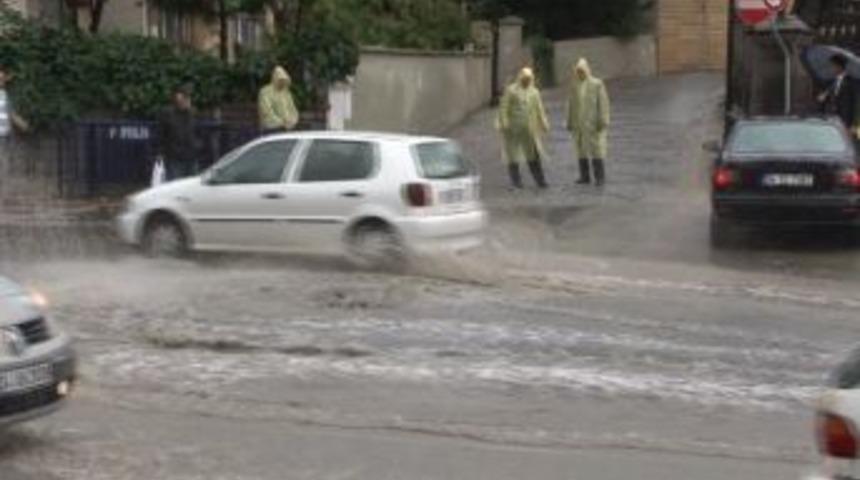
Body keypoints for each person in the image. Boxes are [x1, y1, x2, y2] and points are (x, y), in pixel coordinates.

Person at [497, 67, 549, 189]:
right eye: (524, 79)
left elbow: (539, 109)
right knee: (513, 156)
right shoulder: (511, 90)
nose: (526, 81)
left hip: (529, 129)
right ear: (520, 78)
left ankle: (540, 181)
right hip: (513, 130)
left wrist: (544, 123)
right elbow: (504, 108)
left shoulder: (534, 92)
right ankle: (516, 182)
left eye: (529, 79)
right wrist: (504, 122)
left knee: (533, 155)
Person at [567, 58, 611, 187]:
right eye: (578, 71)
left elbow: (603, 103)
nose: (580, 73)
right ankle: (584, 177)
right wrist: (569, 121)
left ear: (587, 69)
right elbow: (571, 105)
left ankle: (600, 177)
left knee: (596, 150)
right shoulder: (574, 85)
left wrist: (603, 120)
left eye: (582, 70)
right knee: (581, 151)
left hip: (593, 123)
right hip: (579, 124)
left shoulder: (597, 84)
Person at [156, 84, 199, 181]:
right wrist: (161, 152)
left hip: (191, 156)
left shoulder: (192, 113)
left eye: (187, 98)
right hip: (175, 157)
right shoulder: (167, 113)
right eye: (183, 98)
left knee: (191, 184)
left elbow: (196, 132)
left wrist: (197, 145)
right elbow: (161, 134)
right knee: (175, 184)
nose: (186, 101)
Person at [0, 66, 30, 203]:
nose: (1, 81)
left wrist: (21, 123)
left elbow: (10, 113)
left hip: (4, 136)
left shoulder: (4, 94)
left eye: (2, 79)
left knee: (4, 166)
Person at [818, 54, 858, 129]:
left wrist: (853, 124)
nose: (831, 68)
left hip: (845, 120)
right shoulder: (832, 82)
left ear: (838, 66)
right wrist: (823, 97)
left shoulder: (850, 81)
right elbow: (830, 97)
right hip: (832, 119)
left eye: (833, 66)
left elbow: (853, 103)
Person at [258, 66, 299, 135]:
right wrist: (281, 122)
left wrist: (293, 120)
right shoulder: (265, 91)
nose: (282, 82)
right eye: (281, 80)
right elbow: (267, 110)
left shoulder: (286, 93)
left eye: (284, 80)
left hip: (288, 128)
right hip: (272, 128)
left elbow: (292, 108)